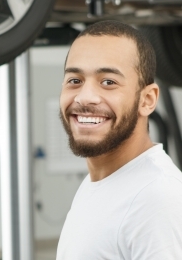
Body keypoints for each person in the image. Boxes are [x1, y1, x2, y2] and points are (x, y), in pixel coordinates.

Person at [57, 20, 182, 259]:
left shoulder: (158, 199)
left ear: (147, 100)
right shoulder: (99, 182)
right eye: (75, 80)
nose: (86, 97)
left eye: (108, 82)